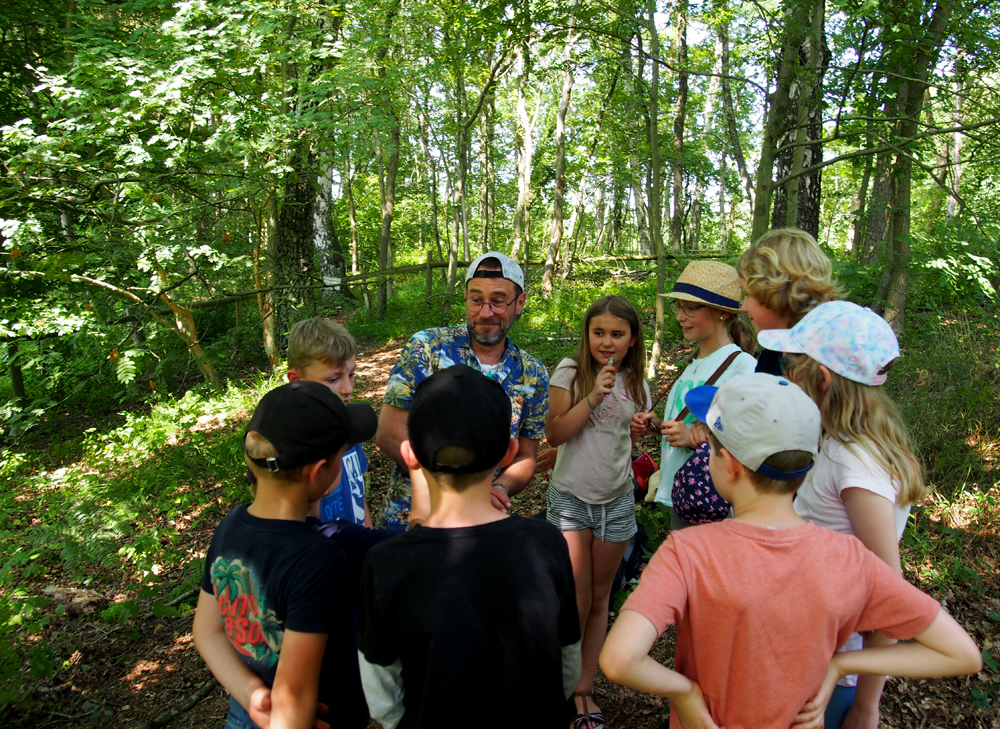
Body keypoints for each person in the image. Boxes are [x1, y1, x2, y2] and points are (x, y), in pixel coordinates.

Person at [599, 373, 982, 729]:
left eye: (712, 450)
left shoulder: (688, 552)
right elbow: (961, 654)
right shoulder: (849, 557)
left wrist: (685, 692)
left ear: (729, 465)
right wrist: (840, 664)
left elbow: (619, 659)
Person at [357, 365, 582, 728]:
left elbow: (383, 698)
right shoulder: (546, 544)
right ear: (509, 452)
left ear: (411, 454)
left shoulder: (386, 564)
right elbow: (568, 663)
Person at [758, 300, 925, 729]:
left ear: (822, 377)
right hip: (805, 649)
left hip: (829, 669)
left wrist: (865, 708)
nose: (786, 375)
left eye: (794, 365)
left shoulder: (856, 464)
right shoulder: (838, 442)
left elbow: (888, 590)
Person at [193, 380, 378, 729]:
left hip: (246, 714)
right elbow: (294, 696)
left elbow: (207, 631)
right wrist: (282, 715)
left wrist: (254, 697)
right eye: (342, 453)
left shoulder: (229, 528)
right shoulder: (319, 559)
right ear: (317, 471)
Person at [375, 252, 548, 526]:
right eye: (476, 300)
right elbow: (387, 431)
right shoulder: (428, 348)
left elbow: (527, 455)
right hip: (409, 521)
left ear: (520, 303)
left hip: (481, 527)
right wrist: (452, 489)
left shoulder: (532, 373)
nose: (485, 313)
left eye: (498, 302)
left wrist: (500, 488)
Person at [544, 295, 650, 728]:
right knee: (576, 598)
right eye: (599, 333)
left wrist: (643, 426)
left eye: (617, 334)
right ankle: (561, 688)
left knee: (600, 601)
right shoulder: (570, 372)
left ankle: (584, 690)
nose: (607, 342)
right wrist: (591, 397)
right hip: (571, 498)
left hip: (617, 501)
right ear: (587, 335)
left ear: (631, 340)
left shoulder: (638, 382)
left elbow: (625, 441)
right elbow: (554, 434)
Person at [633, 261, 756, 529]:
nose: (679, 316)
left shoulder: (741, 366)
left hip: (715, 500)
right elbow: (692, 422)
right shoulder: (693, 362)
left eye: (690, 308)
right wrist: (658, 426)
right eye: (679, 307)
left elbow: (747, 438)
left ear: (721, 312)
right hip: (684, 493)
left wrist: (692, 439)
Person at [286, 317, 372, 528]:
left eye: (351, 374)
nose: (348, 389)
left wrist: (371, 545)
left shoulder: (348, 429)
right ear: (296, 381)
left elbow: (358, 499)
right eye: (333, 379)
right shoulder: (290, 448)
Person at [734, 227, 841, 375]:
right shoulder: (771, 357)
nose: (743, 307)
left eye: (748, 294)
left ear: (777, 292)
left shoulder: (828, 367)